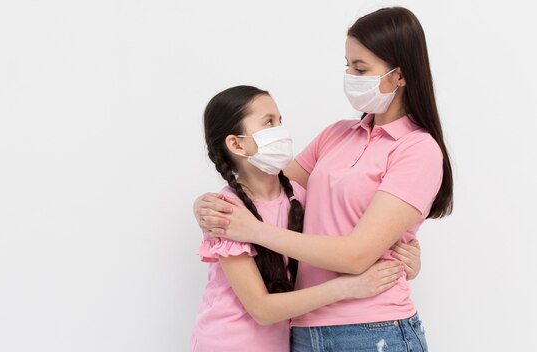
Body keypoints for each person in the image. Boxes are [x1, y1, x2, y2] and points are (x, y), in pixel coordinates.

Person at [195, 7, 452, 352]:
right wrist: (210, 205)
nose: (349, 74)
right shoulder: (337, 135)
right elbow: (263, 190)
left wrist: (252, 231)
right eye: (347, 64)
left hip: (373, 329)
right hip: (304, 329)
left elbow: (356, 256)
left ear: (400, 76)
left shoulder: (418, 149)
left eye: (360, 68)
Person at [190, 85, 421, 352]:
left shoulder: (298, 197)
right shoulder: (228, 213)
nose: (280, 130)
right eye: (268, 122)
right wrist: (349, 287)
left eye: (279, 120)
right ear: (236, 144)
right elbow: (262, 309)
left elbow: (351, 229)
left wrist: (406, 255)